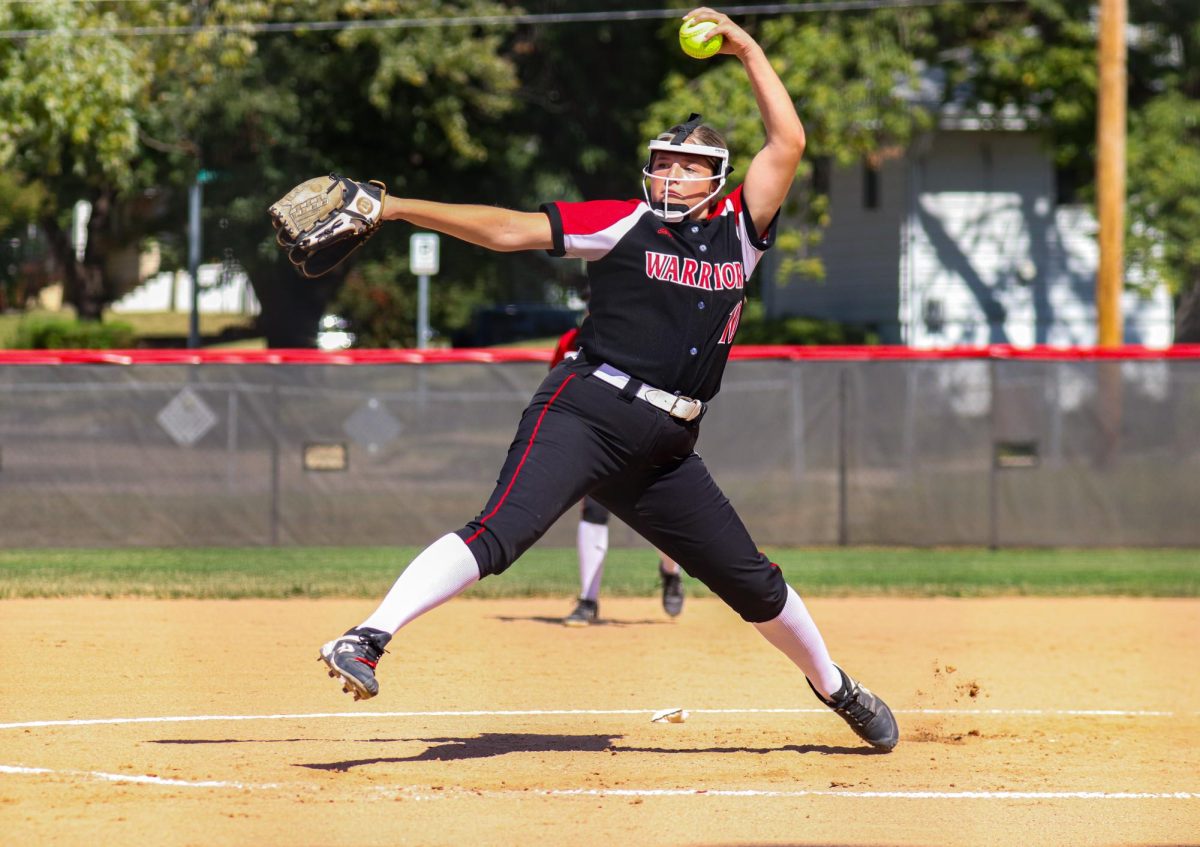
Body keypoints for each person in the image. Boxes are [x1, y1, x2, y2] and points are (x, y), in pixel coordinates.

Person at [318, 7, 899, 751]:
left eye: (690, 164)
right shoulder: (624, 221)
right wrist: (394, 206)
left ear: (719, 180)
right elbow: (507, 227)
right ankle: (367, 638)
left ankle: (836, 685)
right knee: (502, 532)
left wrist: (747, 47)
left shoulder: (741, 232)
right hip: (587, 408)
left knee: (752, 581)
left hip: (667, 447)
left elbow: (789, 140)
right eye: (665, 159)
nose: (673, 171)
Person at [552, 325, 686, 626]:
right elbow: (559, 383)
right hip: (597, 437)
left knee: (664, 517)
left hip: (646, 433)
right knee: (594, 511)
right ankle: (588, 600)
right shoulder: (573, 340)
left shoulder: (644, 332)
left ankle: (670, 571)